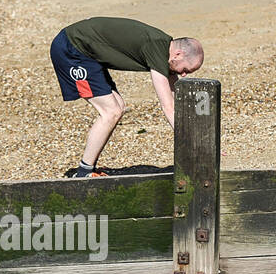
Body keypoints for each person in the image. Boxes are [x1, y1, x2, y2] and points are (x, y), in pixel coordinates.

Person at [49, 17, 204, 177]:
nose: (184, 75)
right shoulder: (157, 49)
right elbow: (168, 106)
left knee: (118, 108)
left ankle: (88, 169)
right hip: (72, 48)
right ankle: (83, 173)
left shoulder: (164, 50)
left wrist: (202, 143)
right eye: (186, 69)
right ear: (177, 54)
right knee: (110, 111)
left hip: (87, 52)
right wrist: (191, 144)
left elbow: (176, 102)